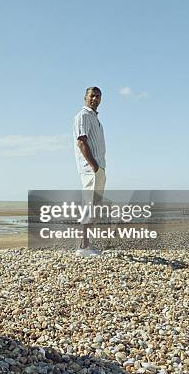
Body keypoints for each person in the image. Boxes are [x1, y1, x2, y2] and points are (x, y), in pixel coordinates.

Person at [72, 86, 106, 257]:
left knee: (95, 208)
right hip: (90, 169)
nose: (95, 99)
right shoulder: (83, 115)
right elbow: (81, 142)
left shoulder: (95, 118)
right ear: (85, 97)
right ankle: (83, 247)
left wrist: (100, 168)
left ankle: (86, 244)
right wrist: (94, 166)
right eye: (92, 96)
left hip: (98, 168)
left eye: (98, 96)